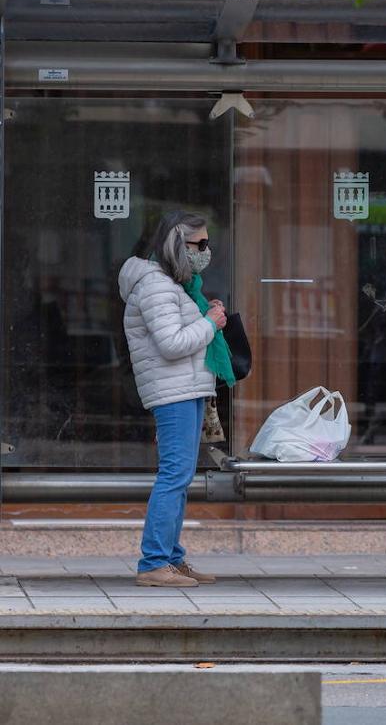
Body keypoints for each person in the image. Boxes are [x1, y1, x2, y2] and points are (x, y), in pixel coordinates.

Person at [118, 211, 233, 588]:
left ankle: (171, 557)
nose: (206, 250)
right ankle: (153, 563)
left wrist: (204, 313)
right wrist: (210, 323)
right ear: (175, 246)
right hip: (173, 391)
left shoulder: (174, 285)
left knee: (180, 477)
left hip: (185, 388)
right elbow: (171, 344)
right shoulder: (156, 286)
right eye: (199, 244)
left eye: (207, 243)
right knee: (174, 476)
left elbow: (178, 330)